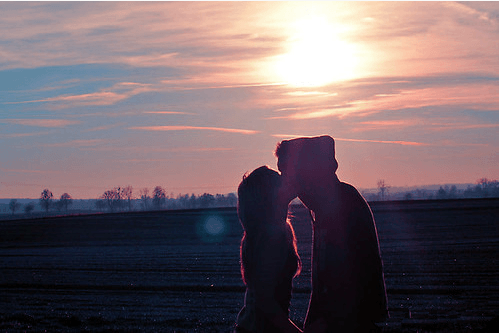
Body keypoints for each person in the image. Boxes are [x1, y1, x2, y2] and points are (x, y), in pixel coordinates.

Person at [275, 135, 388, 333]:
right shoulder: (331, 202)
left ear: (305, 173)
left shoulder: (341, 206)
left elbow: (348, 277)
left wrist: (324, 323)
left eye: (286, 173)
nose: (283, 181)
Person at [234, 166, 303, 333]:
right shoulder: (272, 235)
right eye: (279, 181)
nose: (285, 180)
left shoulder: (275, 229)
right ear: (271, 195)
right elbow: (265, 302)